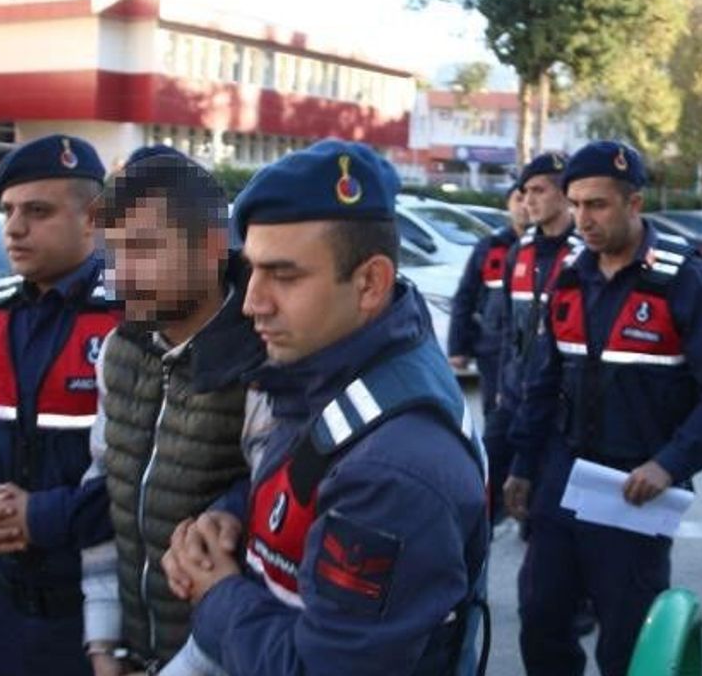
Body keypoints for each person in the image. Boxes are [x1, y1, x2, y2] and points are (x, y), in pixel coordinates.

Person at [156, 139, 490, 676]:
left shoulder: (393, 470)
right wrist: (232, 515)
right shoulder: (334, 362)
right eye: (252, 270)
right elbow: (305, 473)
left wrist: (216, 594)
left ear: (370, 283)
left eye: (284, 276)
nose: (252, 302)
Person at [502, 141, 702, 676]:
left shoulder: (683, 279)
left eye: (598, 205)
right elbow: (542, 383)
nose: (583, 220)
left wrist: (669, 465)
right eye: (576, 204)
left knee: (627, 643)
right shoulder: (570, 276)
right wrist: (523, 465)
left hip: (635, 491)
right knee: (541, 619)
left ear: (634, 203)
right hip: (562, 480)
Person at [0, 134, 119, 676]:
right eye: (8, 211)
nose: (14, 228)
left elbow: (161, 474)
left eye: (37, 212)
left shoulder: (135, 318)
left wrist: (39, 517)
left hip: (96, 618)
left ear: (92, 219)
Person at [80, 147, 266, 675]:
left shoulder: (263, 364)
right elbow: (106, 493)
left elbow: (274, 556)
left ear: (210, 247)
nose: (122, 275)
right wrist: (103, 642)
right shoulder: (119, 352)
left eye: (142, 248)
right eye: (114, 252)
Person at [488, 153, 581, 520]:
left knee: (542, 506)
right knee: (484, 485)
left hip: (559, 405)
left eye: (539, 191)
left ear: (564, 194)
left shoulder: (586, 254)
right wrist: (501, 383)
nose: (528, 200)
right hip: (514, 395)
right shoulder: (520, 253)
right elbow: (509, 328)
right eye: (525, 191)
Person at [447, 181, 529, 524]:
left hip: (532, 358)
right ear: (508, 204)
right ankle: (492, 510)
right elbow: (465, 297)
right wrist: (458, 347)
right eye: (518, 198)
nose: (525, 205)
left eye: (531, 196)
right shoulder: (490, 247)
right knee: (497, 428)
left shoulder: (550, 250)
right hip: (493, 354)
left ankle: (524, 502)